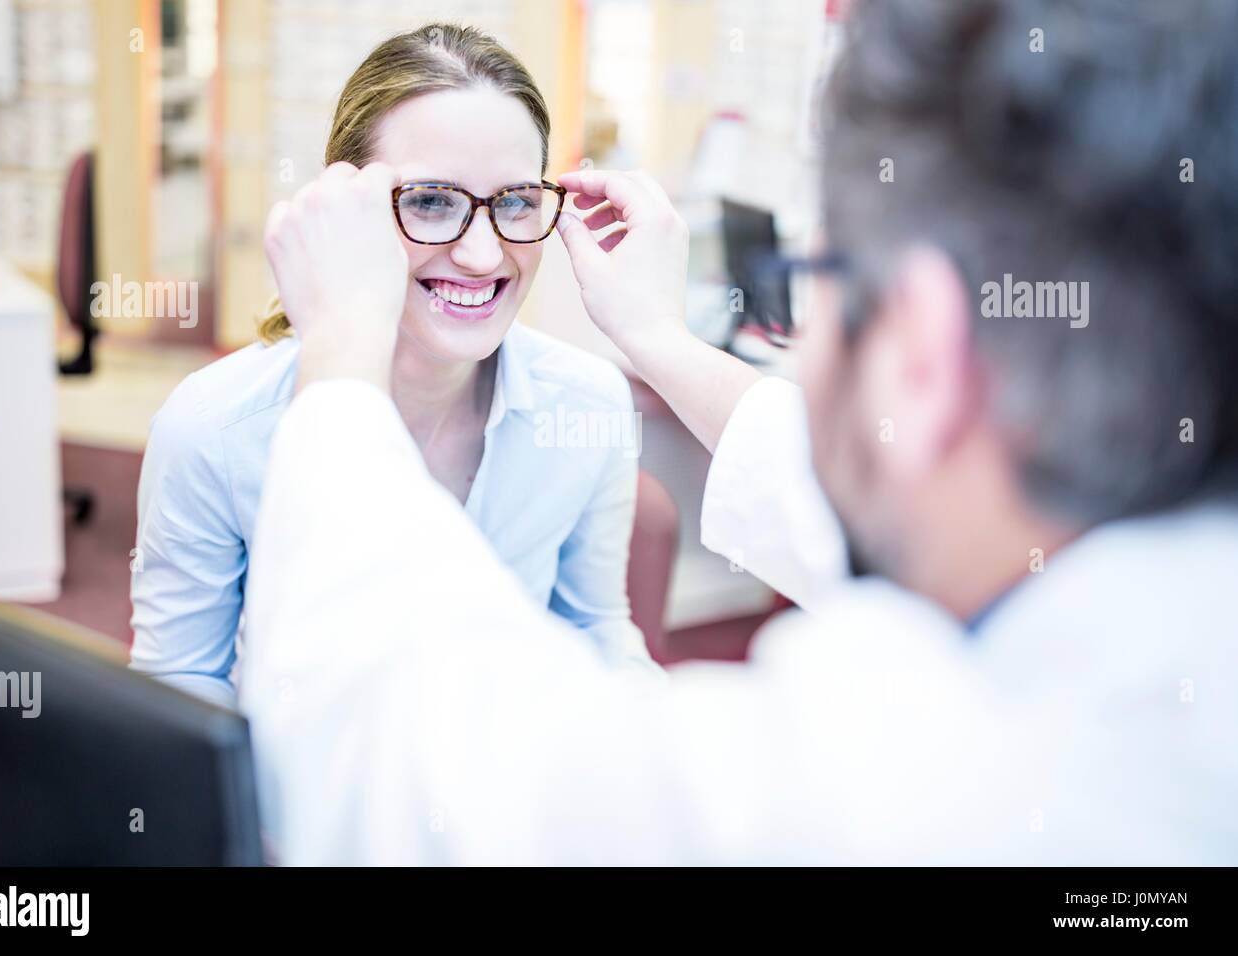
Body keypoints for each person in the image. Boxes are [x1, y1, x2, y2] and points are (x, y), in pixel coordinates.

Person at [241, 0, 1238, 863]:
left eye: (817, 286)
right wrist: (657, 336)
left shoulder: (894, 792)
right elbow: (812, 484)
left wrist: (338, 353)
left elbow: (414, 758)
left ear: (921, 358)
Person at [129, 25, 659, 708]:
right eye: (431, 201)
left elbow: (592, 625)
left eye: (516, 202)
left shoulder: (588, 406)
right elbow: (180, 688)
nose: (480, 255)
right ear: (344, 208)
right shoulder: (214, 428)